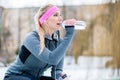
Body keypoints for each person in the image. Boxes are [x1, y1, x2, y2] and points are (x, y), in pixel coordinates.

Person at [4, 4, 76, 80]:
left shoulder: (58, 42)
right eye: (55, 15)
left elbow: (57, 70)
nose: (60, 18)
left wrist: (61, 76)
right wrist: (69, 35)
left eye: (60, 15)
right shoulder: (32, 38)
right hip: (15, 76)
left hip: (34, 78)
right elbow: (51, 59)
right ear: (44, 19)